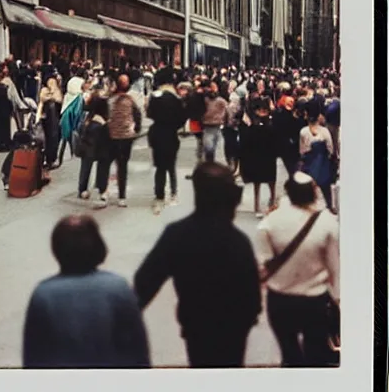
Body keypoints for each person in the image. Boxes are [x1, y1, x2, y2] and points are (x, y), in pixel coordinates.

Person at [134, 162, 261, 368]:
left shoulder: (177, 235)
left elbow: (145, 282)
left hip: (196, 324)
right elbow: (252, 295)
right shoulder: (238, 241)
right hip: (234, 328)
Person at [23, 215, 150, 368]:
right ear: (99, 246)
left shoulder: (43, 295)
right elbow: (138, 353)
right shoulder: (119, 287)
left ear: (56, 249)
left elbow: (33, 359)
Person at [254, 172, 340, 367]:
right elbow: (334, 269)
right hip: (315, 301)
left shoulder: (269, 223)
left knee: (289, 353)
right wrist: (337, 300)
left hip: (280, 300)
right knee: (315, 354)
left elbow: (263, 266)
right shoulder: (327, 222)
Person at [146, 67, 187, 215]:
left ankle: (159, 195)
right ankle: (173, 192)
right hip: (171, 134)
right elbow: (182, 118)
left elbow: (149, 113)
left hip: (157, 133)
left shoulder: (154, 96)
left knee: (160, 167)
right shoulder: (176, 99)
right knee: (171, 165)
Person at [106, 74, 142, 208]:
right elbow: (137, 116)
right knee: (122, 166)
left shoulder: (111, 99)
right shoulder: (130, 100)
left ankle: (103, 192)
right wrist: (136, 130)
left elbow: (106, 115)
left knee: (106, 164)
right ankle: (122, 196)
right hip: (126, 136)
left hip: (112, 136)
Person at [239, 96, 278, 218]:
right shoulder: (251, 124)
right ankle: (257, 205)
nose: (262, 112)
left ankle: (272, 200)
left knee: (271, 180)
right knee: (257, 181)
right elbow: (246, 139)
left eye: (264, 110)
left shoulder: (270, 122)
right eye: (260, 110)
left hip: (268, 154)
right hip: (257, 154)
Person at [299, 100, 335, 210]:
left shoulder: (304, 132)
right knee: (326, 189)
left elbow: (302, 151)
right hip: (324, 164)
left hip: (309, 165)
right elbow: (331, 149)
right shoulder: (325, 131)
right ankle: (329, 206)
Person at [77, 96, 112, 201]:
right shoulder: (102, 123)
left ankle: (82, 189)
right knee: (103, 166)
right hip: (101, 150)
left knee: (85, 168)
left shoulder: (88, 119)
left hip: (87, 149)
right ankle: (102, 189)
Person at [37, 74, 63, 170]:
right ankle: (50, 159)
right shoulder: (55, 96)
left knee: (48, 140)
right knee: (52, 140)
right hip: (52, 123)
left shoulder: (47, 94)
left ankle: (48, 159)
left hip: (47, 121)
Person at [201, 80, 228, 162]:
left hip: (215, 125)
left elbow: (227, 111)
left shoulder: (220, 101)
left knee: (211, 147)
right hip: (208, 125)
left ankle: (209, 163)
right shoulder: (204, 100)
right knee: (209, 147)